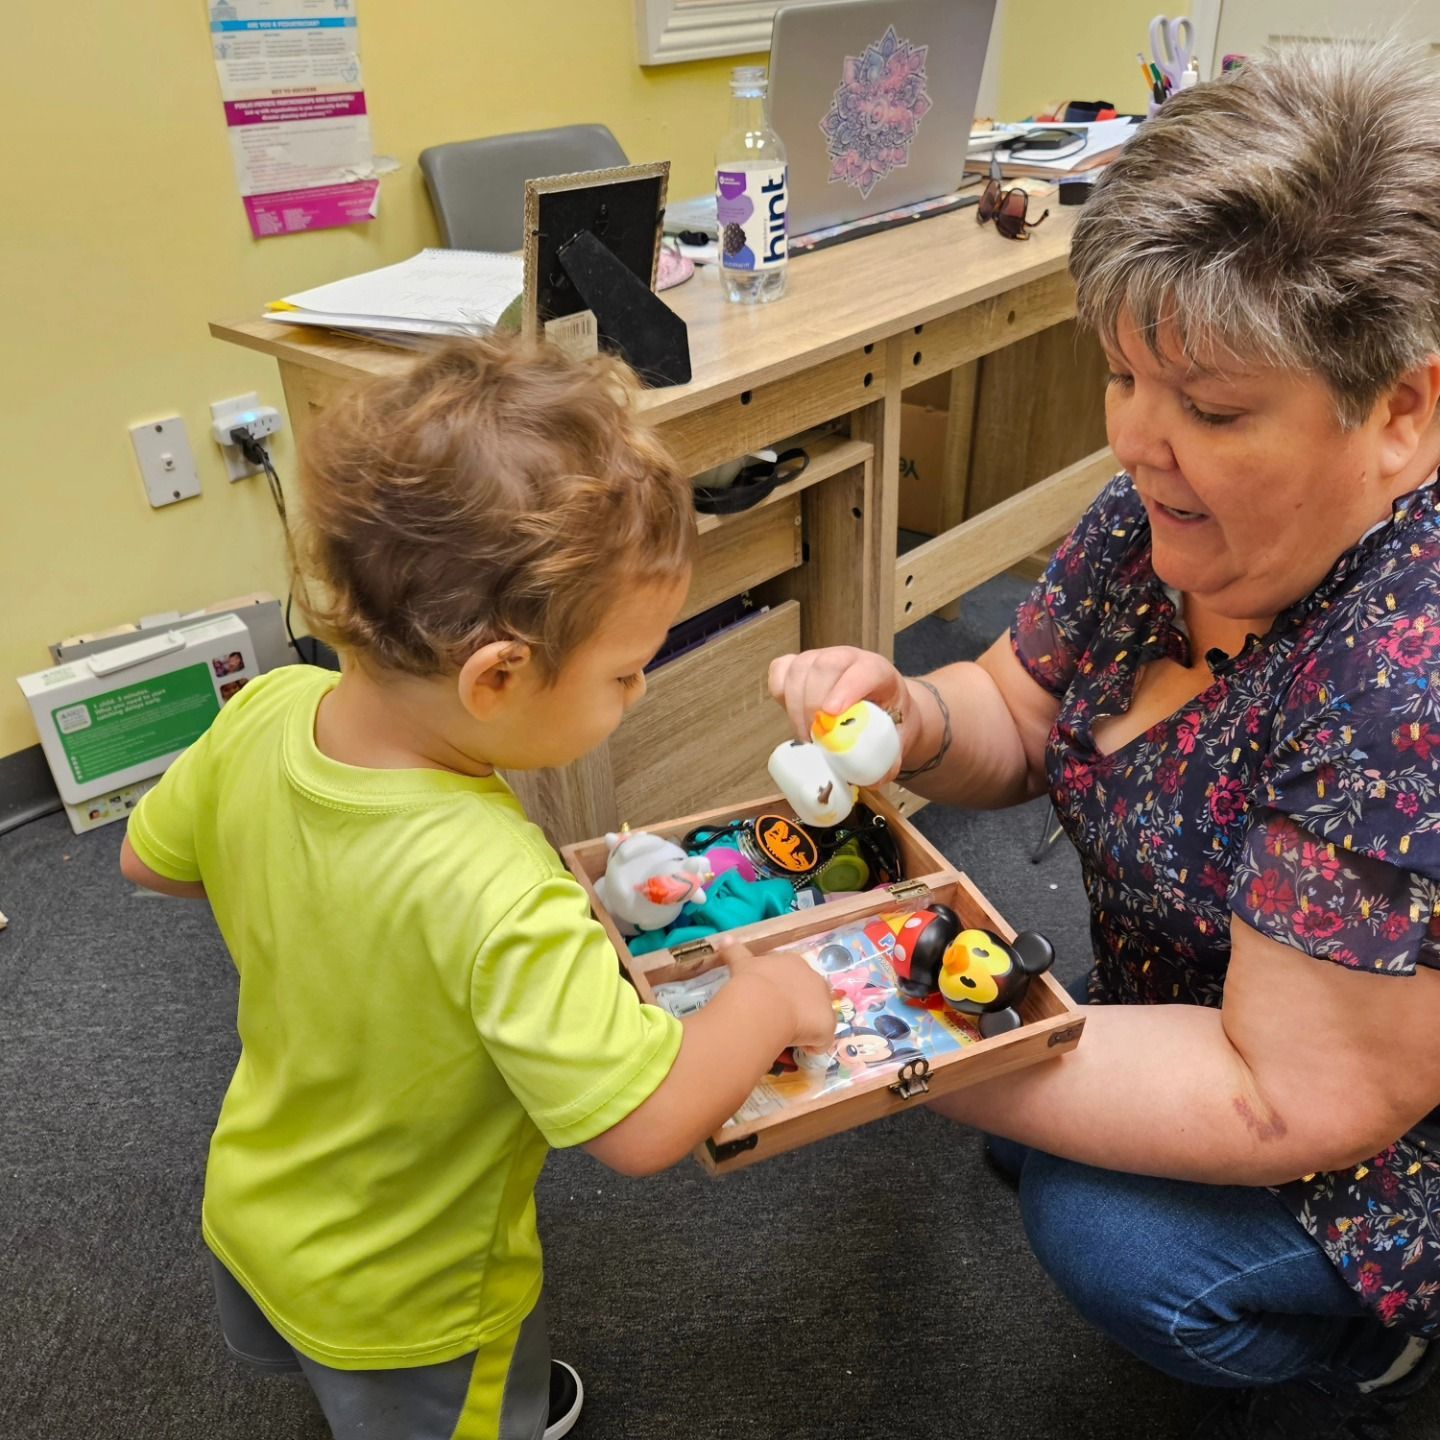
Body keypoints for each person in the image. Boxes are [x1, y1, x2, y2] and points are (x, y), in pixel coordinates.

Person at [770, 41, 1440, 1439]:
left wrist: (904, 1036)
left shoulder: (1402, 679)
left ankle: (1369, 1358)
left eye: (1208, 408)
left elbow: (1293, 1098)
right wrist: (912, 718)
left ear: (1402, 411)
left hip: (1371, 1124)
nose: (1137, 441)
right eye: (1124, 377)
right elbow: (1017, 710)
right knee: (1059, 1122)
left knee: (1109, 1233)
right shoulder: (1165, 521)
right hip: (1206, 993)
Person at [119, 338, 834, 1440]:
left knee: (333, 1378)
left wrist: (318, 909)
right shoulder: (503, 887)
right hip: (417, 1292)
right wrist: (771, 1000)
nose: (638, 695)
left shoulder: (263, 712)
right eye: (625, 672)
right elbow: (644, 1127)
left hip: (258, 1201)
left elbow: (146, 861)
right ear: (495, 676)